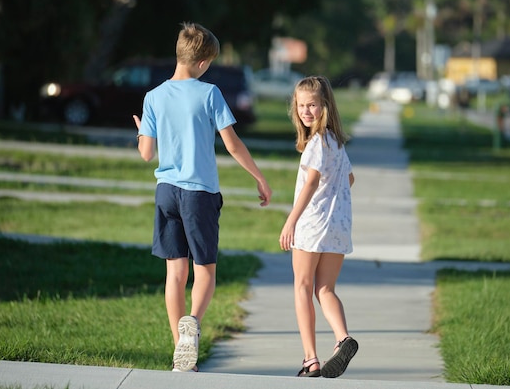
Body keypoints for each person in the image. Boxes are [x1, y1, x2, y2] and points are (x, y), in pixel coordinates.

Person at [132, 22, 272, 372]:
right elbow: (232, 144)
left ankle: (182, 356)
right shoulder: (210, 94)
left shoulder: (153, 97)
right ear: (205, 62)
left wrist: (140, 134)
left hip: (166, 192)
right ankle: (192, 323)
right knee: (205, 271)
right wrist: (259, 177)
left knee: (174, 275)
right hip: (200, 195)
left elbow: (146, 154)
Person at [279, 76, 358, 378]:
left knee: (302, 286)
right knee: (325, 289)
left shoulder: (315, 142)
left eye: (312, 104)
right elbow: (349, 179)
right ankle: (343, 339)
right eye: (301, 105)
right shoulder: (337, 143)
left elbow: (311, 181)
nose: (306, 111)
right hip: (338, 227)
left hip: (311, 225)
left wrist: (291, 220)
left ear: (325, 106)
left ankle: (310, 359)